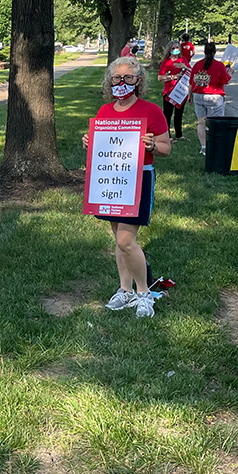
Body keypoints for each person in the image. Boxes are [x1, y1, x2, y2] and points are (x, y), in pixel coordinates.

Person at [81, 57, 172, 317]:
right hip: (110, 178)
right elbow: (102, 145)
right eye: (116, 79)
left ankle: (144, 294)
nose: (122, 83)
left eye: (128, 78)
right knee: (118, 241)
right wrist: (91, 141)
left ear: (139, 81)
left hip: (138, 179)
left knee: (126, 240)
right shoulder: (105, 112)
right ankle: (125, 290)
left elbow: (166, 148)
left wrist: (152, 145)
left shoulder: (151, 111)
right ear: (110, 82)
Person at [189, 42, 233, 155]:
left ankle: (204, 147)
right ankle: (215, 145)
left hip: (198, 95)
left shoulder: (197, 65)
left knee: (201, 122)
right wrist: (230, 73)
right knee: (215, 123)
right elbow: (225, 80)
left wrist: (189, 96)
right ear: (215, 52)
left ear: (204, 52)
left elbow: (191, 82)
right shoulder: (219, 66)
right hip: (214, 96)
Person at [157, 41, 189, 140]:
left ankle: (179, 134)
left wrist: (184, 67)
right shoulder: (166, 62)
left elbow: (191, 72)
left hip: (181, 92)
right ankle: (167, 135)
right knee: (167, 114)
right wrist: (173, 77)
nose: (175, 50)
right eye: (173, 48)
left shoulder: (183, 60)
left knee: (179, 114)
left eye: (177, 48)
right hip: (169, 91)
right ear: (169, 50)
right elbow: (160, 78)